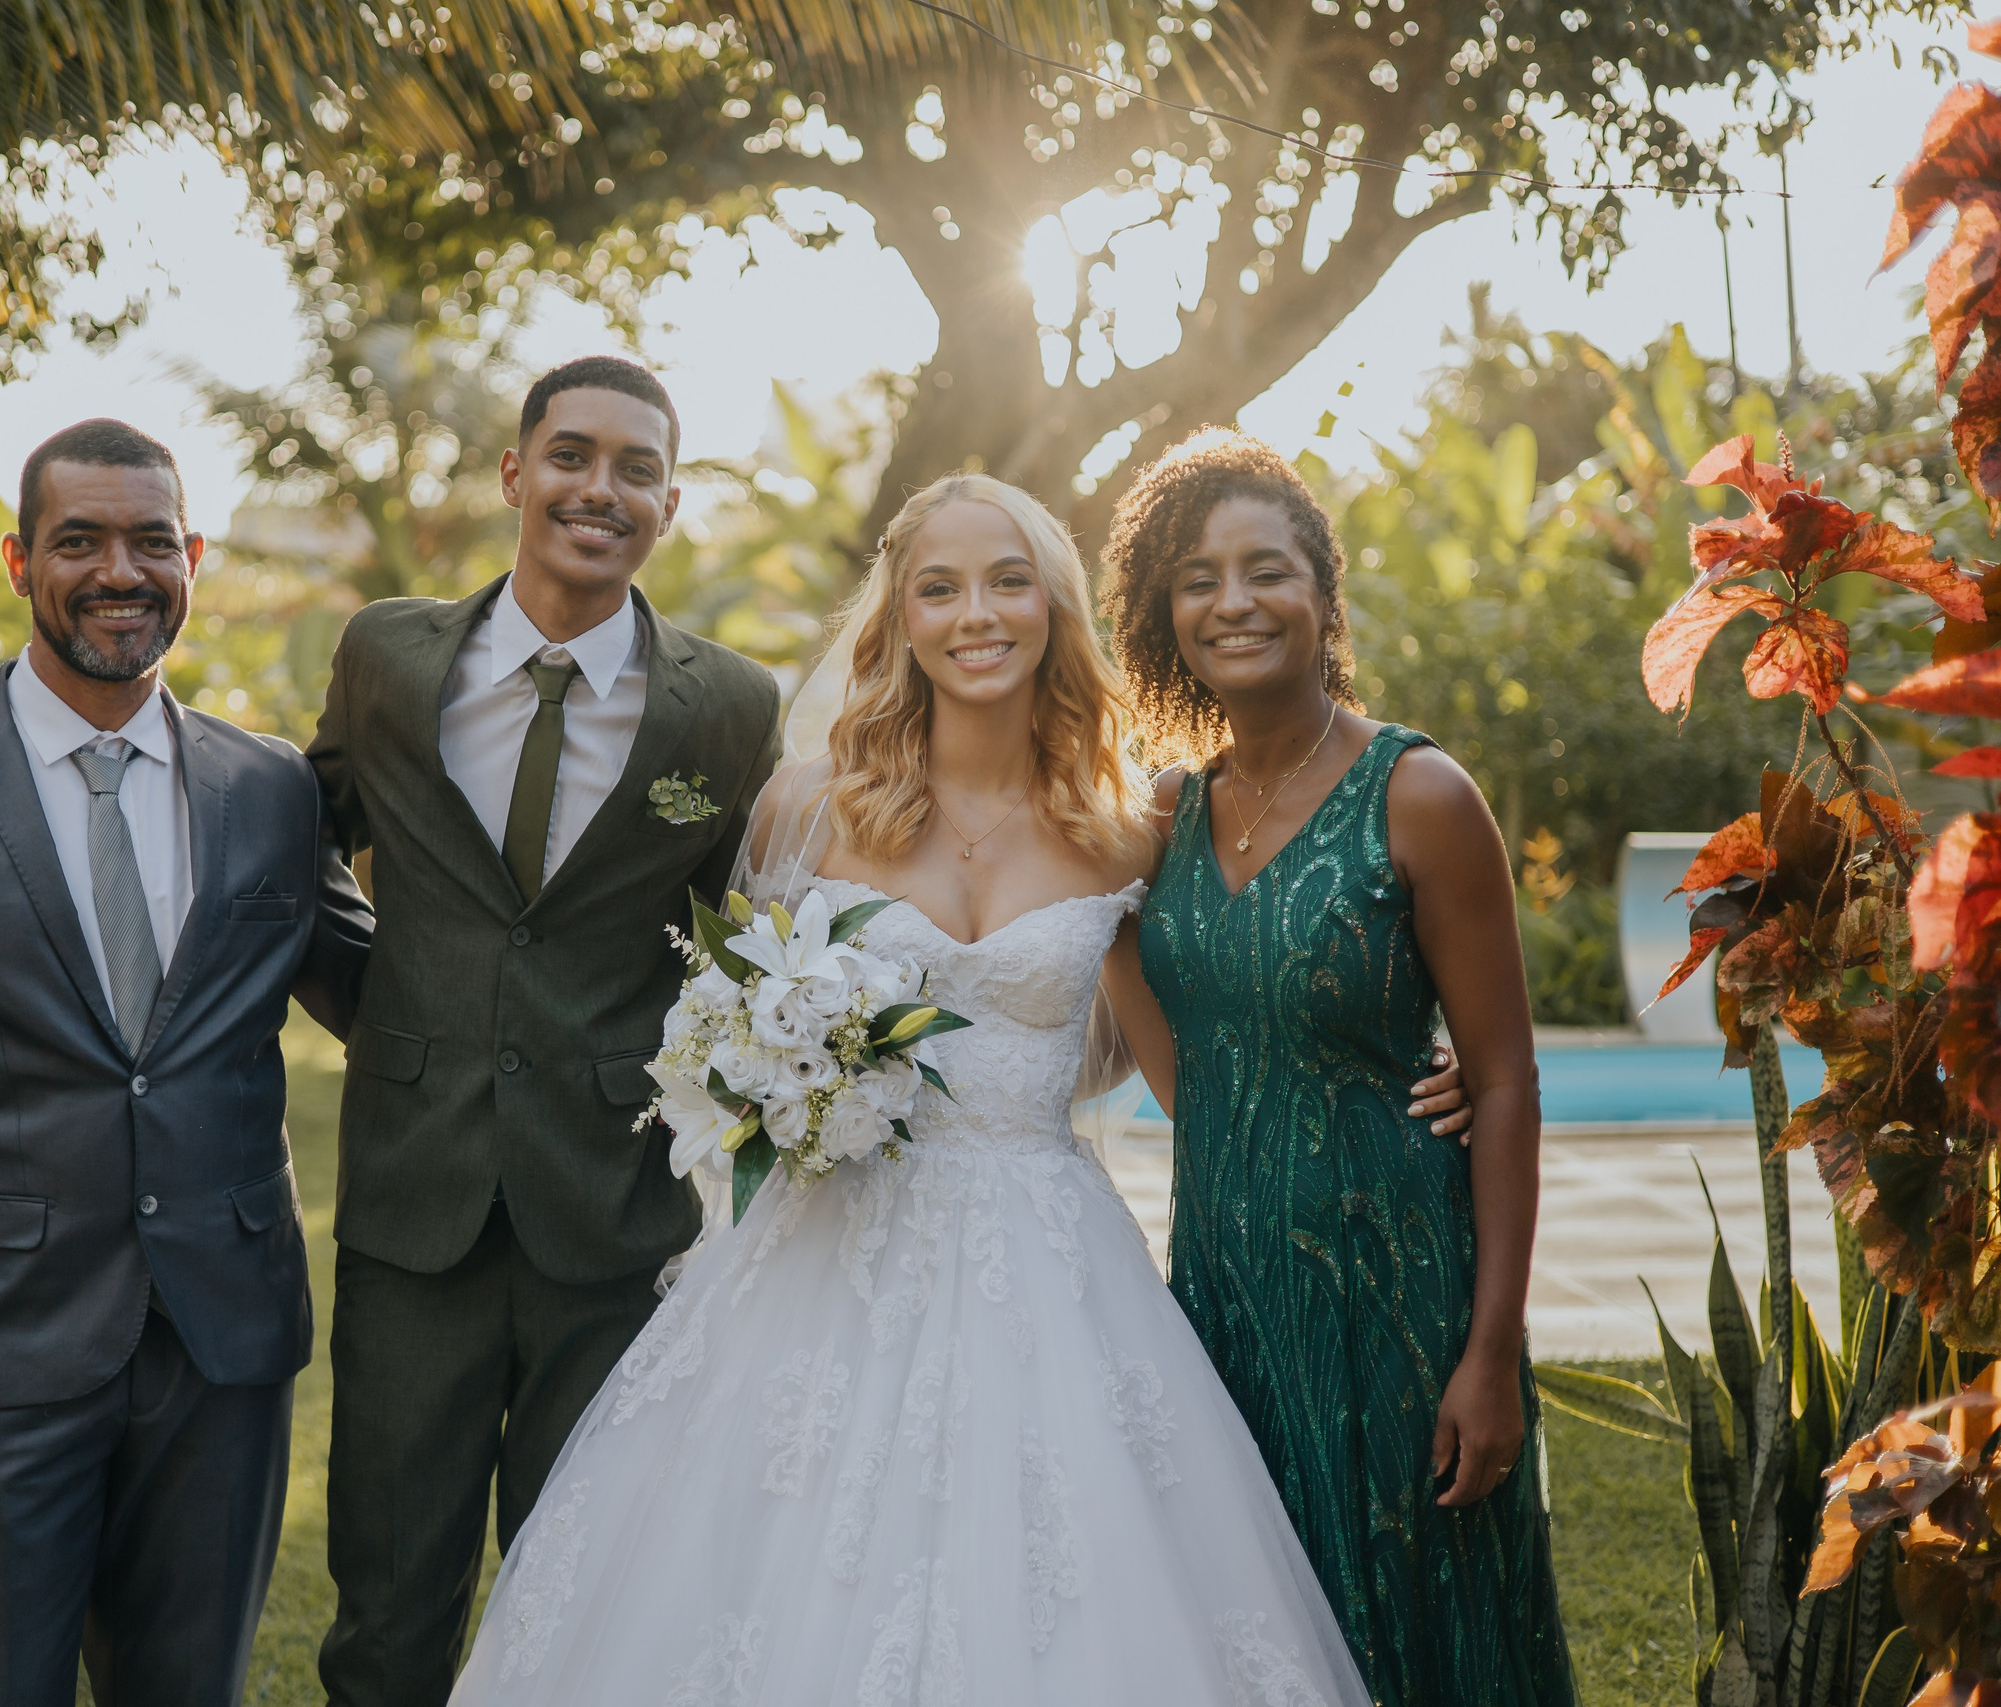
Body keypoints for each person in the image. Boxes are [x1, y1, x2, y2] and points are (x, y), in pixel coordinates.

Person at [445, 473, 1471, 1705]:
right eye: (938, 587)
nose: (974, 614)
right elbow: (733, 1019)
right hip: (823, 1258)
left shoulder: (1129, 823)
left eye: (1006, 581)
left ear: (1054, 607)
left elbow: (1199, 1045)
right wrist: (783, 1081)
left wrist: (1396, 1073)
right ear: (901, 619)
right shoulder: (809, 806)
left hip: (1048, 1256)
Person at [0, 419, 373, 1707]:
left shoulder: (270, 789)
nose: (121, 570)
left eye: (152, 540)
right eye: (81, 541)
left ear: (193, 556)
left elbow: (382, 996)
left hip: (223, 1344)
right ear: (18, 561)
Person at [305, 356, 784, 1707]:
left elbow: (756, 930)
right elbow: (299, 850)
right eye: (572, 454)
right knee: (389, 1604)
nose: (600, 487)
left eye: (637, 469)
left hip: (615, 1213)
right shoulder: (389, 657)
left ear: (669, 505)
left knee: (584, 1595)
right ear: (516, 473)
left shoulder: (728, 706)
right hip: (414, 1206)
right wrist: (382, 1005)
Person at [1102, 428, 1578, 1706]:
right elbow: (1188, 1076)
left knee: (1422, 1618)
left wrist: (1489, 1354)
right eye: (1196, 579)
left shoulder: (1416, 793)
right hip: (1223, 1292)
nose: (1233, 602)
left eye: (1266, 569)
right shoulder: (1163, 816)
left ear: (1322, 591)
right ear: (1165, 615)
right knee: (1256, 1628)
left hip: (1399, 1294)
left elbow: (1504, 1082)